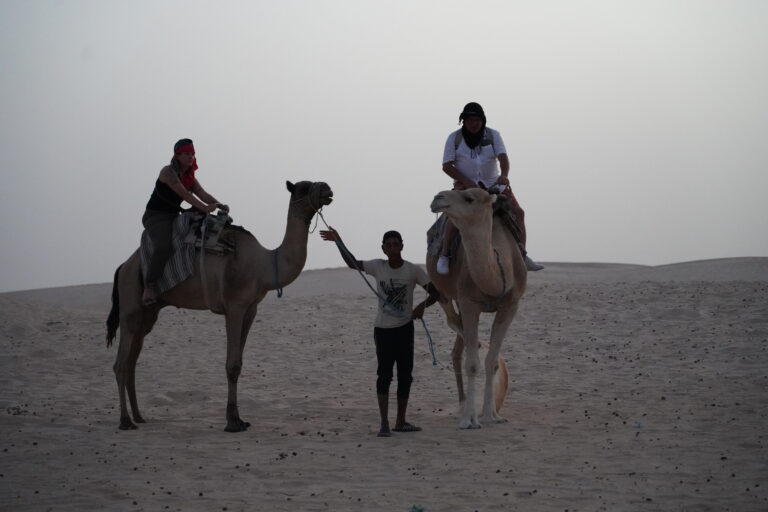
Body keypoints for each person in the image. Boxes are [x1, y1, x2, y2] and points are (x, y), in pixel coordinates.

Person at [320, 228, 439, 437]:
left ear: (402, 246)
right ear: (383, 248)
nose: (392, 248)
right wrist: (339, 241)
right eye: (388, 245)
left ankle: (400, 421)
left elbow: (436, 292)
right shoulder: (378, 266)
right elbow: (352, 263)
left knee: (405, 376)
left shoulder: (413, 270)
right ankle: (384, 423)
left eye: (396, 244)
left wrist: (422, 306)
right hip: (383, 330)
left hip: (405, 329)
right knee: (384, 376)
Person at [437, 102, 544, 274]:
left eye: (477, 119)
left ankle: (522, 254)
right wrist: (466, 181)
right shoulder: (454, 138)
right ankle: (445, 255)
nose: (474, 123)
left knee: (519, 213)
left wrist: (505, 175)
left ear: (483, 120)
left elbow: (503, 158)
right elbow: (447, 166)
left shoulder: (493, 135)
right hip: (466, 187)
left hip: (493, 185)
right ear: (463, 121)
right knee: (454, 216)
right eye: (470, 120)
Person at [141, 138, 229, 306]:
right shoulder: (168, 172)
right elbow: (185, 195)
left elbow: (202, 193)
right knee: (162, 246)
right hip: (156, 216)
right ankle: (149, 286)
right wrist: (204, 208)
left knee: (203, 226)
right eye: (187, 154)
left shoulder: (190, 177)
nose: (191, 157)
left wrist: (219, 205)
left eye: (193, 154)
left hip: (174, 215)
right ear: (178, 155)